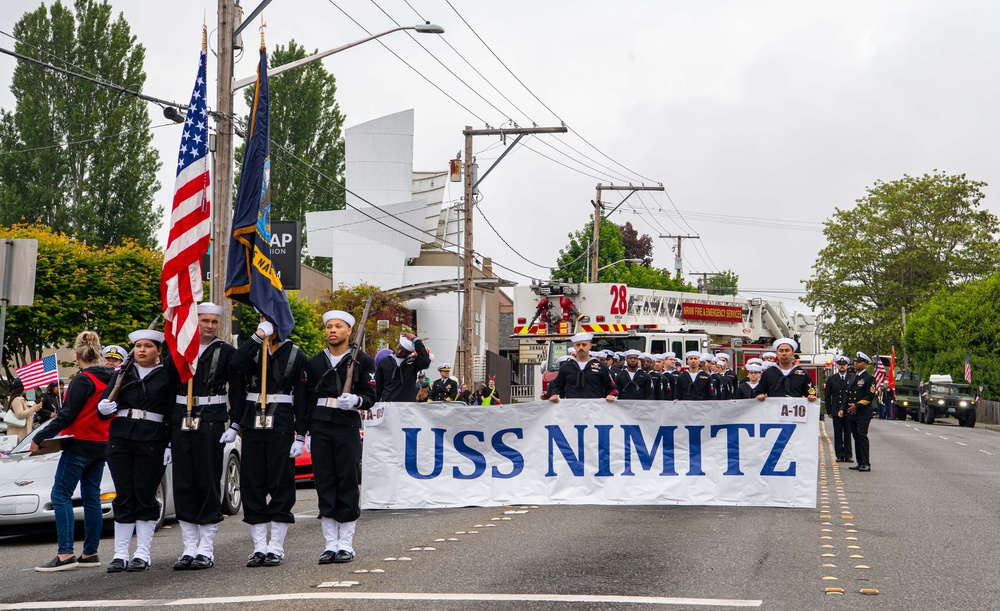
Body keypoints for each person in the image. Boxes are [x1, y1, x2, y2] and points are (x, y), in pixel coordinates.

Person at [97, 329, 179, 573]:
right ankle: (120, 553)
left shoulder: (167, 375)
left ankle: (142, 552)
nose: (142, 350)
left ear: (158, 351)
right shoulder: (123, 372)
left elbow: (173, 411)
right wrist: (104, 407)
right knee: (124, 494)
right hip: (121, 438)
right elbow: (106, 404)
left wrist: (170, 443)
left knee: (144, 494)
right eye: (139, 346)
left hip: (152, 438)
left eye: (148, 346)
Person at [32, 331, 113, 572]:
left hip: (80, 443)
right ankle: (90, 552)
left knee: (60, 495)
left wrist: (40, 436)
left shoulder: (82, 380)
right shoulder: (111, 377)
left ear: (77, 355)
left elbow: (68, 414)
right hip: (102, 443)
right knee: (92, 497)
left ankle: (65, 553)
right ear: (99, 353)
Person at [170, 303, 242, 571]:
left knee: (208, 480)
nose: (209, 326)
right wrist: (167, 434)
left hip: (211, 417)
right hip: (181, 417)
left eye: (214, 321)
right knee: (184, 483)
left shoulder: (226, 352)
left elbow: (237, 388)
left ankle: (206, 548)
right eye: (204, 320)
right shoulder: (178, 349)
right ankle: (189, 547)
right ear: (194, 321)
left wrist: (235, 423)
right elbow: (167, 389)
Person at [231, 319, 308, 567]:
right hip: (253, 422)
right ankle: (258, 547)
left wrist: (300, 434)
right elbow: (236, 364)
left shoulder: (296, 354)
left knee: (281, 483)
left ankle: (275, 546)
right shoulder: (254, 347)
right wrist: (256, 337)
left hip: (282, 423)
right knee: (252, 483)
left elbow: (303, 398)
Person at [304, 310, 377, 565]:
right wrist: (303, 434)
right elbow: (305, 401)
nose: (332, 330)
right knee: (325, 483)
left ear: (349, 332)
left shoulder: (363, 361)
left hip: (346, 426)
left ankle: (345, 543)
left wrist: (357, 400)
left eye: (338, 327)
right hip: (321, 426)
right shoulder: (314, 362)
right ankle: (329, 544)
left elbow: (371, 396)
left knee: (346, 481)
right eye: (329, 327)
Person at [547, 333, 618, 402]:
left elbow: (612, 388)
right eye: (578, 345)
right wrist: (555, 395)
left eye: (584, 345)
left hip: (594, 409)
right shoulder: (566, 367)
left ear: (590, 346)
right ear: (574, 346)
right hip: (572, 409)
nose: (581, 347)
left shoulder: (601, 367)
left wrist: (611, 396)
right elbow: (558, 386)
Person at [754, 339, 818, 403]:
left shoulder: (803, 374)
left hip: (795, 410)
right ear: (777, 353)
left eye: (787, 350)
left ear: (793, 353)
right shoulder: (768, 373)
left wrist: (811, 397)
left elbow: (811, 392)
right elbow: (759, 392)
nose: (784, 353)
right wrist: (760, 396)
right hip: (774, 410)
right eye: (781, 351)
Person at [842, 352, 876, 472]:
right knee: (855, 436)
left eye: (859, 362)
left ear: (865, 364)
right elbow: (848, 395)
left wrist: (857, 405)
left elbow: (870, 396)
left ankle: (866, 463)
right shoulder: (853, 378)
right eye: (855, 361)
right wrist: (842, 408)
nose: (856, 363)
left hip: (863, 411)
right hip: (852, 412)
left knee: (862, 436)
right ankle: (860, 462)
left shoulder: (869, 378)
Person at [375, 332, 431, 402]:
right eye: (399, 347)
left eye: (403, 351)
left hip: (408, 406)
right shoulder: (384, 362)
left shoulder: (413, 362)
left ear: (409, 353)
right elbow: (378, 386)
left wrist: (415, 340)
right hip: (389, 404)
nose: (399, 351)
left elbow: (425, 361)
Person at [824, 356, 853, 462]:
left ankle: (848, 455)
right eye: (840, 364)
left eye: (844, 364)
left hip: (848, 410)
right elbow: (827, 396)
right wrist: (829, 410)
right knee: (838, 433)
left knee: (848, 433)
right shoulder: (831, 379)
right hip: (836, 409)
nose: (842, 366)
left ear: (847, 366)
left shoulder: (852, 378)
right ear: (836, 366)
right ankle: (839, 455)